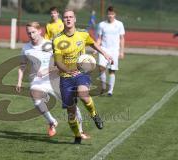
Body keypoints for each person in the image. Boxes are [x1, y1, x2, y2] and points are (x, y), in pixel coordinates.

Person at [16, 22, 89, 139]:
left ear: (40, 31)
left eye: (33, 32)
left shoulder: (50, 45)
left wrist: (47, 70)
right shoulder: (26, 48)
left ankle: (80, 130)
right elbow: (22, 65)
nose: (31, 35)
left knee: (71, 105)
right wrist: (19, 81)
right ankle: (52, 121)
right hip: (37, 80)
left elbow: (63, 63)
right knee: (34, 95)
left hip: (56, 79)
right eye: (28, 33)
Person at [53, 9, 113, 144]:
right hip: (65, 77)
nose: (68, 19)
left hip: (81, 72)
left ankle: (94, 115)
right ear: (63, 20)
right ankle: (77, 136)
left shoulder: (83, 34)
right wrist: (68, 71)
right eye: (66, 17)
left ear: (75, 19)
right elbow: (57, 61)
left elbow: (93, 43)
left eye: (70, 17)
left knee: (83, 93)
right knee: (71, 110)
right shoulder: (57, 39)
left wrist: (104, 53)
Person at [96, 6, 125, 96]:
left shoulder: (119, 24)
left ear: (115, 14)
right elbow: (99, 38)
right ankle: (103, 87)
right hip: (103, 50)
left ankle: (110, 91)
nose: (110, 16)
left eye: (112, 14)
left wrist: (121, 51)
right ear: (107, 14)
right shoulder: (101, 25)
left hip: (114, 51)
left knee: (112, 70)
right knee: (101, 68)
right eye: (109, 14)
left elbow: (122, 38)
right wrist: (96, 48)